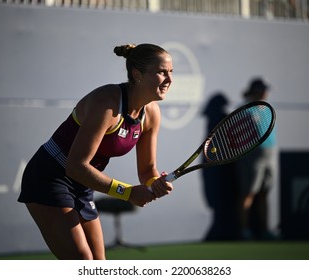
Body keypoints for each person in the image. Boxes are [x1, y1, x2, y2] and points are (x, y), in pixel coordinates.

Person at [18, 43, 174, 259]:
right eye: (161, 72)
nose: (169, 79)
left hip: (83, 184)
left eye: (171, 72)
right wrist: (128, 193)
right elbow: (76, 166)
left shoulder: (151, 114)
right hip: (49, 177)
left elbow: (147, 170)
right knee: (83, 262)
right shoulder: (107, 103)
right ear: (137, 74)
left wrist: (154, 183)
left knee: (99, 265)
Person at [235, 77, 279, 240]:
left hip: (271, 154)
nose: (266, 92)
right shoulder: (244, 109)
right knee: (249, 193)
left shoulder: (267, 109)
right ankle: (244, 231)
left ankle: (266, 230)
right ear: (255, 90)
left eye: (266, 89)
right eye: (263, 89)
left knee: (264, 193)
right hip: (250, 157)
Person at [201, 93, 238, 240]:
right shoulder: (221, 119)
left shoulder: (222, 119)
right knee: (220, 206)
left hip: (221, 171)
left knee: (224, 208)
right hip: (215, 172)